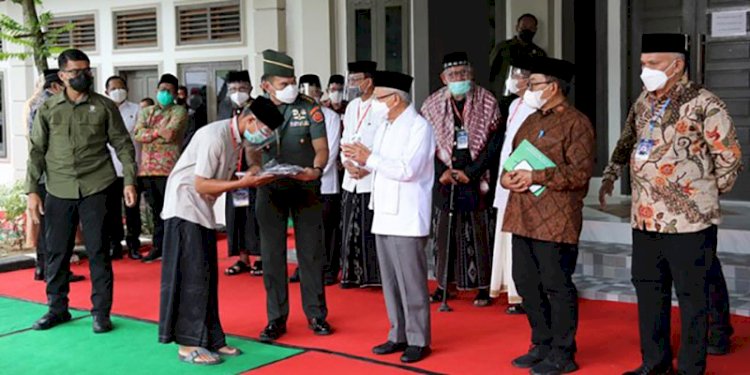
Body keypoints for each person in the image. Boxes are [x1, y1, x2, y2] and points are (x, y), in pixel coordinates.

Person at [597, 34, 742, 375]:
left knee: (692, 296)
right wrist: (610, 173)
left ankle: (691, 366)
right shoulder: (644, 102)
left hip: (689, 221)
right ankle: (655, 361)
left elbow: (730, 157)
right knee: (649, 290)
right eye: (643, 64)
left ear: (677, 65)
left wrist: (703, 194)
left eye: (654, 64)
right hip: (646, 218)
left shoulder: (706, 103)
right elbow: (628, 139)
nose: (646, 71)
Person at [158, 96, 283, 365]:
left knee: (205, 276)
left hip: (201, 211)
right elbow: (202, 184)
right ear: (250, 120)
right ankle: (186, 345)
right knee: (189, 277)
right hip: (184, 208)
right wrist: (246, 183)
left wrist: (254, 173)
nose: (262, 138)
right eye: (263, 131)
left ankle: (212, 338)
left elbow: (234, 170)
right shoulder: (215, 136)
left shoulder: (237, 139)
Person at [26, 48, 138, 333]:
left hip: (96, 187)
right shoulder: (48, 109)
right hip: (59, 189)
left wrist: (129, 180)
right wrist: (32, 191)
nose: (82, 76)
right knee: (57, 252)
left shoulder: (103, 106)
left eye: (86, 70)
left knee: (99, 251)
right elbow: (37, 151)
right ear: (62, 76)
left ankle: (101, 313)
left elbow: (123, 144)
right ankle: (57, 308)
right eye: (75, 72)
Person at [501, 57, 593, 375]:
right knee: (526, 283)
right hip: (522, 214)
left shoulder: (576, 123)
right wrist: (507, 177)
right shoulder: (529, 120)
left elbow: (580, 174)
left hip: (556, 218)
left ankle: (563, 350)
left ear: (553, 87)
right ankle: (541, 341)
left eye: (534, 84)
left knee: (556, 284)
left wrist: (537, 176)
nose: (527, 88)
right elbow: (512, 161)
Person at [342, 70, 435, 364]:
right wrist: (361, 166)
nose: (376, 104)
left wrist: (369, 159)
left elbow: (408, 169)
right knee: (391, 280)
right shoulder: (385, 125)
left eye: (380, 98)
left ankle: (419, 339)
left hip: (407, 213)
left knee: (412, 281)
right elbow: (381, 161)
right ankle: (398, 333)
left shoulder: (419, 127)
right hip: (382, 210)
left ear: (395, 99)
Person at [252, 49, 332, 342]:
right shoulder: (256, 108)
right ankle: (276, 318)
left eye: (293, 81)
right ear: (266, 85)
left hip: (305, 185)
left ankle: (316, 314)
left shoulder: (309, 106)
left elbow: (321, 146)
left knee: (310, 252)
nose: (291, 88)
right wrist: (254, 168)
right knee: (272, 255)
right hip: (270, 187)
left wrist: (317, 168)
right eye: (283, 83)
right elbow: (250, 150)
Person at [421, 52, 500, 307]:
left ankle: (483, 287)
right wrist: (441, 171)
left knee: (479, 233)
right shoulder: (431, 105)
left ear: (472, 74)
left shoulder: (487, 101)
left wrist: (472, 172)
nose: (459, 79)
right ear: (444, 78)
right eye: (454, 75)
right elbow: (423, 145)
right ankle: (446, 285)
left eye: (463, 74)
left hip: (475, 176)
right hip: (444, 175)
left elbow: (494, 144)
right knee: (445, 233)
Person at [24, 69, 85, 282]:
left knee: (45, 223)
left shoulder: (33, 103)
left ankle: (42, 267)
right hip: (54, 174)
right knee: (56, 227)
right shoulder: (53, 105)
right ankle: (56, 270)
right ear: (57, 85)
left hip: (39, 173)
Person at [489, 59, 535, 314]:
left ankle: (524, 293)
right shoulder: (515, 104)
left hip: (522, 178)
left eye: (519, 74)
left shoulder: (533, 106)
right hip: (506, 179)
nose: (514, 79)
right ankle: (512, 290)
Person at [133, 74, 188, 263]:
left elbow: (171, 134)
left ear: (175, 94)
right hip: (147, 169)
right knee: (155, 211)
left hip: (168, 169)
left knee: (171, 210)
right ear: (156, 90)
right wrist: (158, 131)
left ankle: (175, 247)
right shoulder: (146, 111)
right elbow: (138, 134)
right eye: (162, 90)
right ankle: (158, 246)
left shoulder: (179, 111)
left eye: (169, 91)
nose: (164, 93)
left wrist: (150, 132)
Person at [339, 60, 383, 289]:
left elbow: (384, 143)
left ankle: (372, 276)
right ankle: (351, 275)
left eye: (356, 80)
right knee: (349, 227)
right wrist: (347, 163)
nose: (353, 84)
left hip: (371, 176)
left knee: (369, 229)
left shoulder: (382, 105)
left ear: (369, 81)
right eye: (351, 80)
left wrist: (367, 167)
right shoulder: (351, 106)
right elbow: (345, 138)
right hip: (351, 178)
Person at [298, 74, 342, 286]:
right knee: (305, 228)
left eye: (312, 92)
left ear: (319, 93)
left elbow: (331, 151)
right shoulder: (297, 116)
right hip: (300, 182)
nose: (308, 97)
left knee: (327, 229)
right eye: (304, 93)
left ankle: (328, 269)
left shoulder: (330, 117)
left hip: (325, 182)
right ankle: (304, 267)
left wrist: (315, 170)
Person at [220, 70, 264, 277]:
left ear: (250, 89)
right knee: (237, 214)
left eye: (242, 89)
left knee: (257, 214)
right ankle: (243, 258)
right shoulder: (226, 110)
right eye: (233, 90)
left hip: (256, 171)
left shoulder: (260, 108)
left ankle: (262, 258)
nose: (238, 93)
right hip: (235, 174)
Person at [104, 75, 144, 260]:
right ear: (106, 92)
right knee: (112, 210)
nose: (117, 91)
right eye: (113, 88)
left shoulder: (136, 110)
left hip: (131, 167)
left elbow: (139, 134)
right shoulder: (103, 110)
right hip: (109, 169)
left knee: (132, 208)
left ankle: (133, 243)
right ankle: (115, 244)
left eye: (121, 88)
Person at [489, 13, 547, 98]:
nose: (527, 30)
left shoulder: (539, 53)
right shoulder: (503, 48)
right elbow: (489, 71)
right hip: (501, 98)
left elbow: (543, 80)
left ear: (535, 30)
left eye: (531, 28)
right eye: (523, 27)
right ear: (517, 27)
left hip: (527, 100)